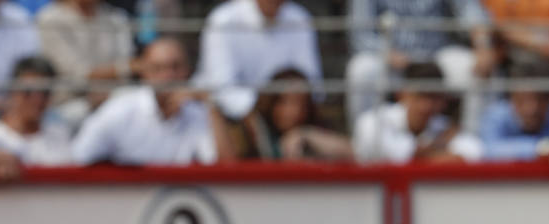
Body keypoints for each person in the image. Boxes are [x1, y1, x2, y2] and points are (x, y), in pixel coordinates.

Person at [71, 37, 227, 165]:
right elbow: (79, 156)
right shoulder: (120, 110)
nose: (169, 75)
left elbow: (224, 167)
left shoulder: (198, 111)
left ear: (188, 70)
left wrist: (211, 104)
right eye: (159, 68)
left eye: (176, 66)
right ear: (145, 73)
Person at [345, 0, 495, 128]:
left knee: (479, 68)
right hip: (391, 60)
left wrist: (482, 45)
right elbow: (360, 35)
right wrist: (388, 53)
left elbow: (470, 9)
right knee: (362, 70)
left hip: (436, 56)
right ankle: (365, 145)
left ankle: (473, 146)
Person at [193, 0, 322, 121]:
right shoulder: (223, 20)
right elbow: (222, 89)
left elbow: (312, 84)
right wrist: (265, 106)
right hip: (231, 119)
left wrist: (290, 106)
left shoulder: (300, 17)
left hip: (288, 118)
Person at [352, 60, 482, 162]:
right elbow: (393, 157)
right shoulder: (374, 121)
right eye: (420, 96)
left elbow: (474, 152)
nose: (426, 106)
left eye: (434, 97)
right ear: (402, 94)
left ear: (443, 100)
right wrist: (439, 145)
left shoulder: (443, 125)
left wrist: (423, 155)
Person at [34, 0, 133, 119]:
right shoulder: (50, 19)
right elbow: (77, 74)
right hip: (69, 105)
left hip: (114, 99)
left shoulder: (116, 18)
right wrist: (126, 68)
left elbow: (127, 64)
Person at [230, 66, 352, 159]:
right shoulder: (252, 127)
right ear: (271, 102)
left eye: (301, 103)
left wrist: (306, 134)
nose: (294, 111)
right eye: (286, 102)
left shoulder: (312, 129)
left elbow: (352, 152)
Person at [0, 55, 73, 165]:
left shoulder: (60, 134)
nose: (37, 99)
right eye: (28, 91)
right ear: (13, 91)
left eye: (45, 92)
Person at [479, 61, 549, 158]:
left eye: (541, 99)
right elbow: (488, 149)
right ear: (511, 98)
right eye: (523, 99)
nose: (532, 109)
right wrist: (540, 148)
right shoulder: (496, 115)